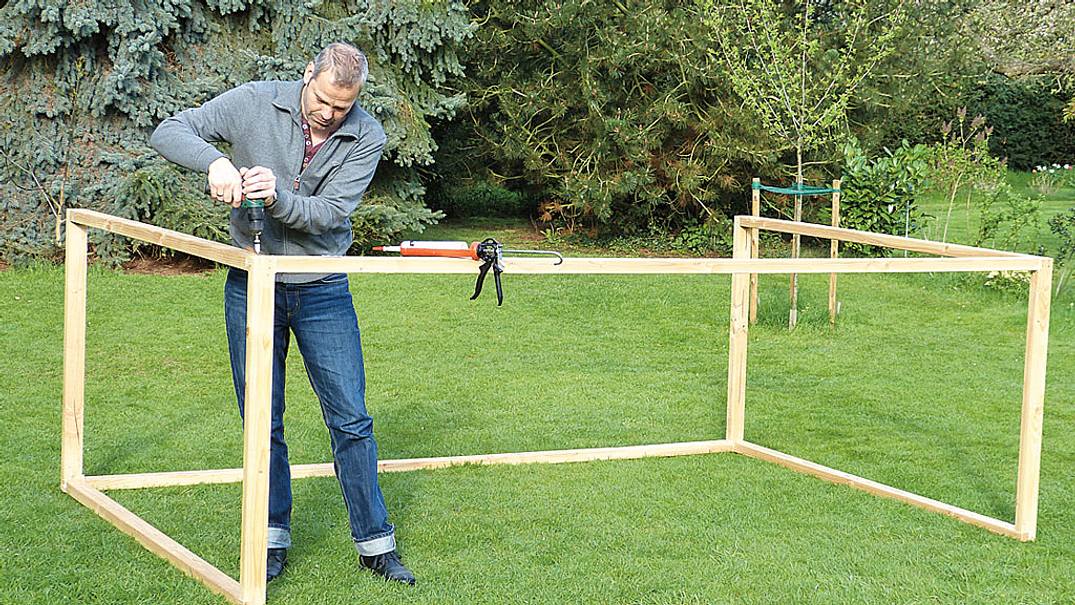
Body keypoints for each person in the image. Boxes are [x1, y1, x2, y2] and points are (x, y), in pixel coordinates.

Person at [149, 42, 415, 586]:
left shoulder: (366, 136)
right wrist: (217, 161)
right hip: (252, 285)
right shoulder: (253, 102)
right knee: (262, 424)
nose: (329, 114)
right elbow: (169, 129)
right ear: (307, 76)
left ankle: (376, 544)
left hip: (322, 289)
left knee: (351, 420)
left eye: (343, 107)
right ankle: (270, 541)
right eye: (322, 100)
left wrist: (272, 197)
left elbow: (329, 215)